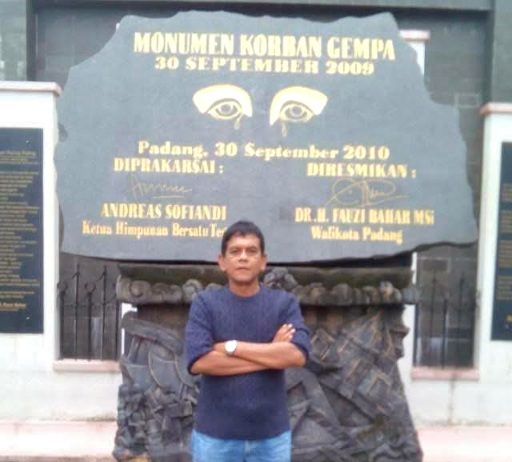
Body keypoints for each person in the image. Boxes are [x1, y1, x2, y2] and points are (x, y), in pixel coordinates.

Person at [185, 220, 310, 462]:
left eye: (251, 251)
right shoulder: (205, 304)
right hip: (215, 437)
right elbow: (200, 361)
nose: (243, 257)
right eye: (235, 251)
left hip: (271, 437)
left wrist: (231, 347)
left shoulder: (283, 304)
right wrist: (272, 353)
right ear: (222, 261)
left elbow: (297, 355)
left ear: (263, 261)